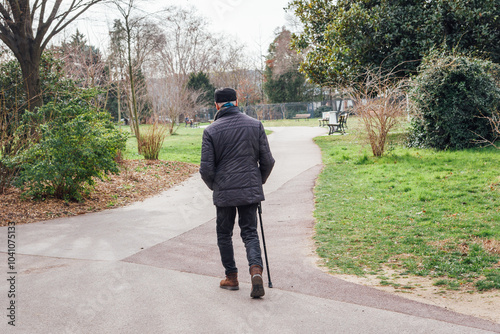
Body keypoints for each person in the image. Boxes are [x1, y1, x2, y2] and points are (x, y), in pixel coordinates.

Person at [200, 88, 275, 298]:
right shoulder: (255, 125)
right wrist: (256, 182)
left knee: (224, 234)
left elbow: (206, 170)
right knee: (250, 232)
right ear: (236, 101)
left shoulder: (211, 131)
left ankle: (232, 278)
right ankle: (256, 272)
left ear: (216, 105)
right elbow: (268, 161)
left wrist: (216, 186)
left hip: (224, 191)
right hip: (249, 189)